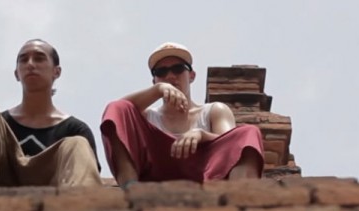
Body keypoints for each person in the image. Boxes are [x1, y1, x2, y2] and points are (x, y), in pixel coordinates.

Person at [101, 42, 265, 188]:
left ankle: (241, 197)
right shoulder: (148, 117)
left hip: (205, 176)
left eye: (178, 69)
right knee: (116, 109)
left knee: (249, 132)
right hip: (155, 174)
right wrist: (157, 91)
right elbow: (116, 111)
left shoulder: (213, 111)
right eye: (161, 72)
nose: (170, 76)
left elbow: (231, 145)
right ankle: (131, 188)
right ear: (154, 81)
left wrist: (201, 134)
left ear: (191, 76)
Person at [0, 39, 102, 189]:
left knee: (77, 143)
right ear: (16, 74)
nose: (30, 64)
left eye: (39, 58)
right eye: (23, 60)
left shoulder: (75, 129)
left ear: (56, 71)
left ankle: (80, 204)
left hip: (56, 198)